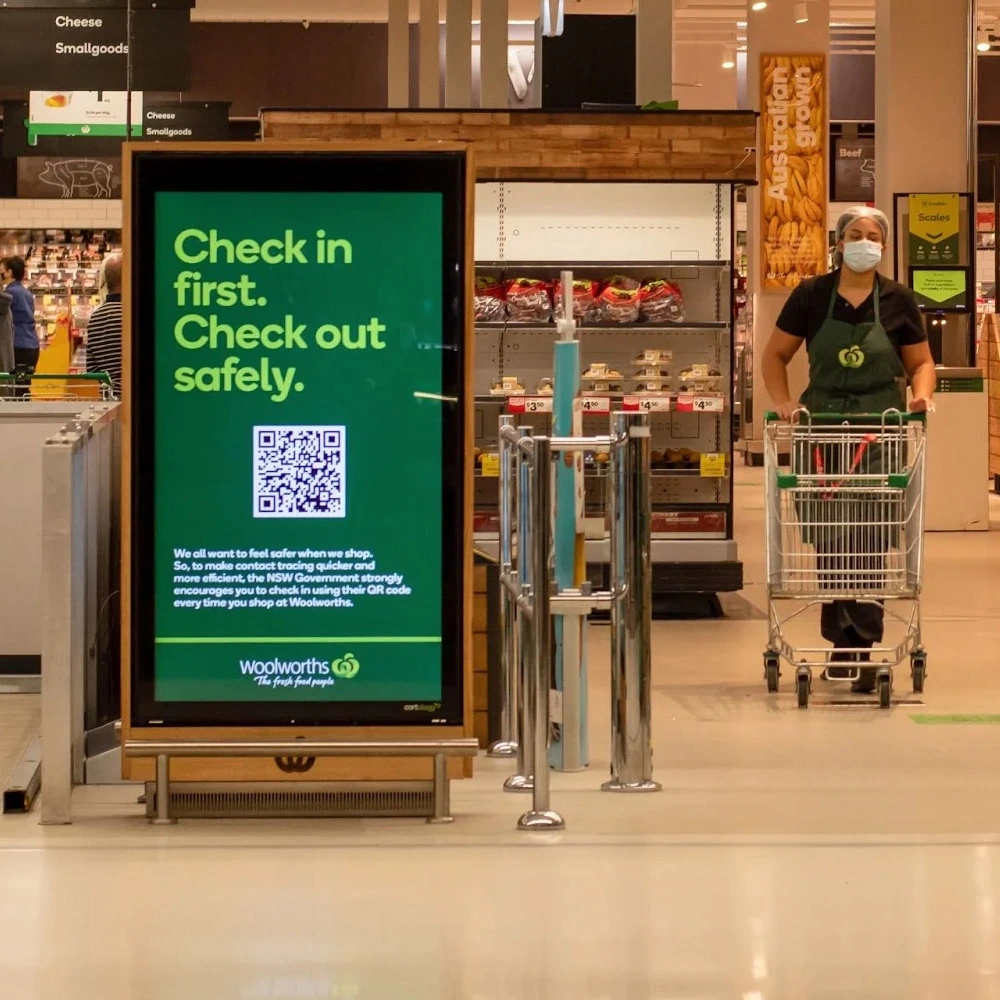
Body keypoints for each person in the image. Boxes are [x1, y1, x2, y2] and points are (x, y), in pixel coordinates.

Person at [761, 206, 936, 693]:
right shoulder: (812, 296)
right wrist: (783, 402)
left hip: (879, 429)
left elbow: (921, 362)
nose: (864, 243)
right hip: (822, 430)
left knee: (870, 534)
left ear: (883, 245)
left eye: (873, 236)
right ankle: (842, 642)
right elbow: (776, 354)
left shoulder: (898, 299)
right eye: (855, 235)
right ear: (838, 243)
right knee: (830, 537)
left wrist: (922, 394)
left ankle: (858, 647)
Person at [86, 254, 123, 395]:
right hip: (136, 402)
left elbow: (92, 370)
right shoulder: (134, 314)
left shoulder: (96, 317)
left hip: (109, 401)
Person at [0, 255, 39, 376]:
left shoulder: (8, 295)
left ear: (9, 272)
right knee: (23, 387)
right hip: (32, 346)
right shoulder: (26, 292)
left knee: (13, 388)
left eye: (1, 270)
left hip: (17, 347)